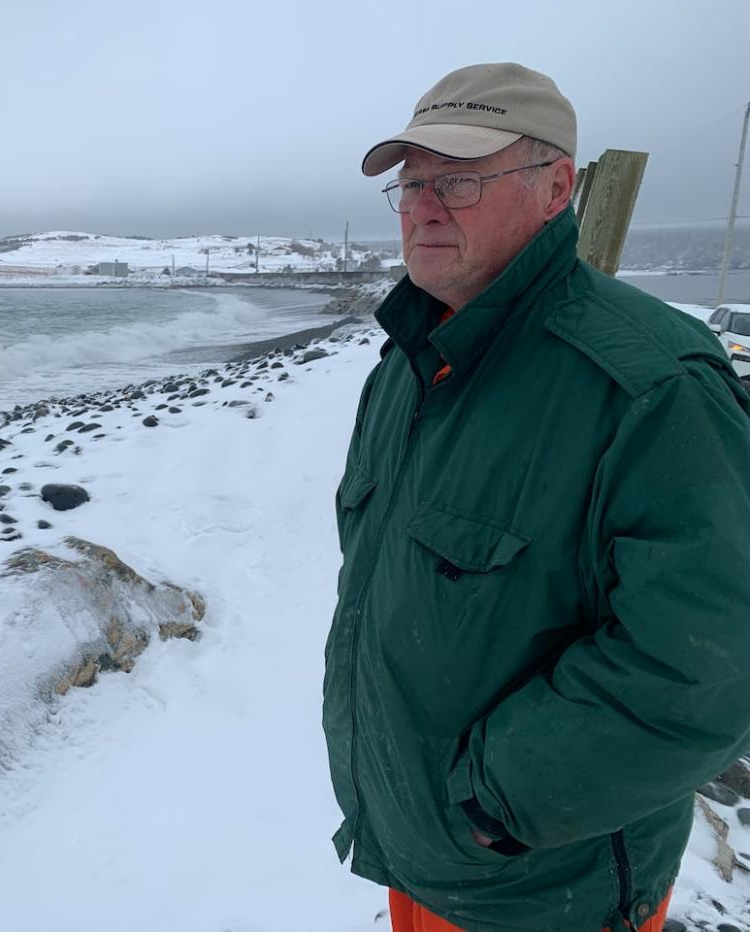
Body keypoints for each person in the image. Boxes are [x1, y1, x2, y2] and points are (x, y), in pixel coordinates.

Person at [321, 62, 750, 932]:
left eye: (459, 179)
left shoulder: (649, 387)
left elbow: (709, 664)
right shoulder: (408, 365)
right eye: (411, 185)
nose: (425, 206)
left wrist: (495, 806)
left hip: (547, 886)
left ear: (556, 188)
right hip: (416, 850)